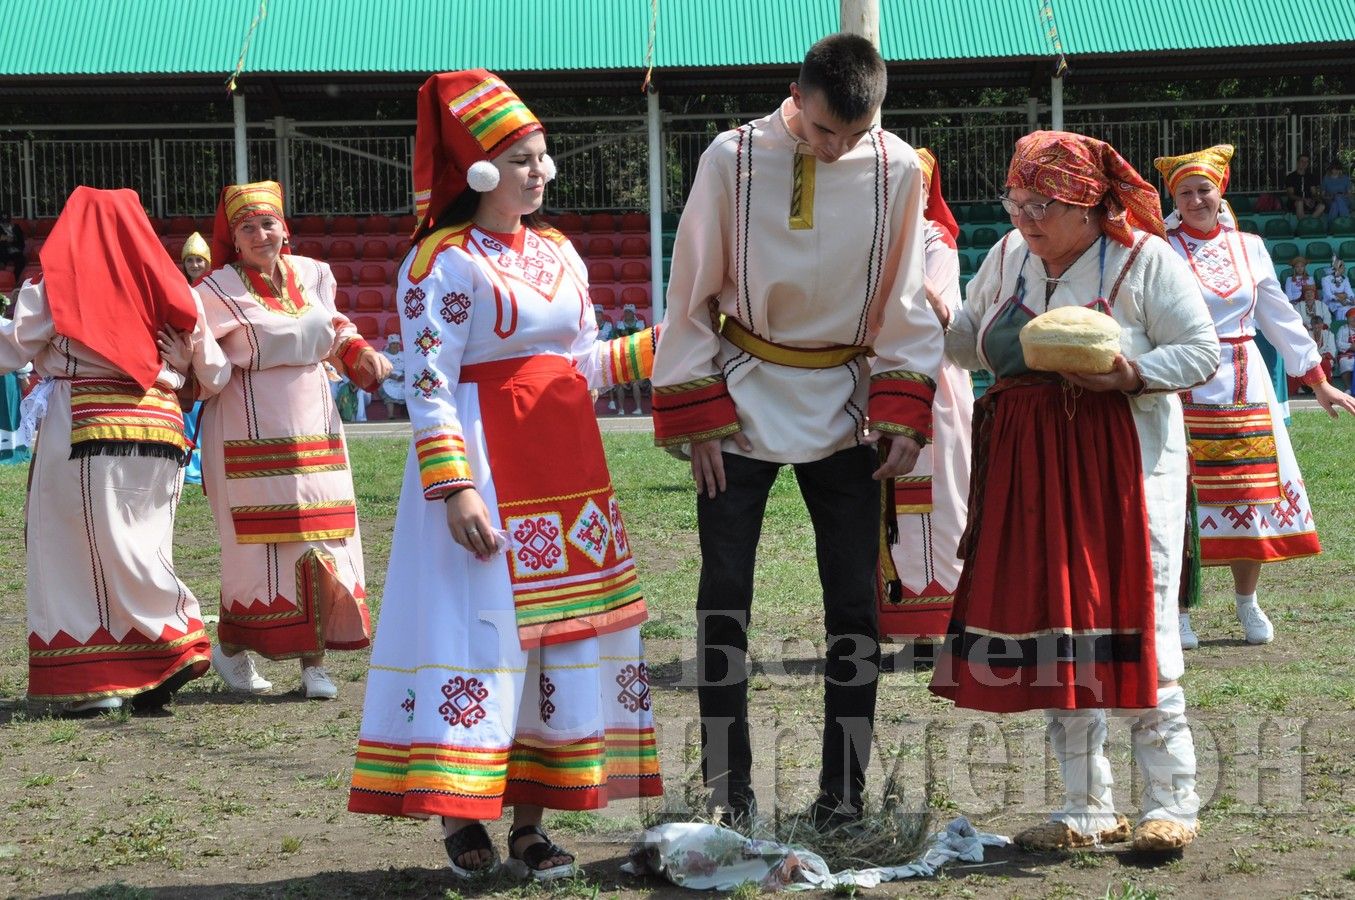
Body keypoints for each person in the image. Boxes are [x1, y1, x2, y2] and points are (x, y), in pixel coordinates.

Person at [348, 70, 662, 881]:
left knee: (558, 645)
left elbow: (583, 363)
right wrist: (453, 488)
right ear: (480, 171)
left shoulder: (558, 252)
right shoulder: (438, 264)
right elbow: (425, 383)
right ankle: (461, 814)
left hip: (567, 471)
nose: (540, 170)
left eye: (542, 156)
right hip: (485, 466)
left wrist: (670, 342)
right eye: (521, 158)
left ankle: (529, 819)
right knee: (478, 634)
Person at [651, 33, 942, 829]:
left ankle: (841, 799)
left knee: (854, 607)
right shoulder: (730, 157)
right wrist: (698, 411)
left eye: (856, 132)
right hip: (743, 393)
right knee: (724, 600)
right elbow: (690, 288)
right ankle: (727, 793)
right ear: (794, 97)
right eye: (822, 133)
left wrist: (905, 408)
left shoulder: (897, 167)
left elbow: (906, 299)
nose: (840, 147)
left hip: (848, 403)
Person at [930, 131, 1218, 854]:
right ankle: (1084, 807)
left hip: (1119, 467)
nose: (1026, 218)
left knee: (1136, 619)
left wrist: (1127, 372)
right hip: (1027, 472)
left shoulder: (1144, 259)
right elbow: (966, 343)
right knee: (1055, 627)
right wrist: (936, 314)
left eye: (1044, 205)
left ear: (1088, 205)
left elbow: (1200, 351)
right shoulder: (1004, 258)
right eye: (1017, 201)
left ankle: (1170, 803)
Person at [0, 187, 230, 713]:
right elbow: (214, 372)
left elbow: (10, 347)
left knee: (73, 552)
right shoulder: (173, 285)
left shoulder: (55, 288)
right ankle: (153, 658)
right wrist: (179, 362)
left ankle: (116, 668)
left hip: (89, 423)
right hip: (161, 427)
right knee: (142, 543)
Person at [1154, 144, 1355, 650]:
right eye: (1185, 192)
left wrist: (1317, 379)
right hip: (1180, 378)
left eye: (1204, 190)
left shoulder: (1251, 245)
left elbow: (1278, 316)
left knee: (1250, 489)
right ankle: (1178, 611)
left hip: (1245, 375)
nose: (1196, 199)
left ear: (1220, 191)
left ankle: (1247, 601)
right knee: (1183, 497)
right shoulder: (1158, 245)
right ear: (1172, 198)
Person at [196, 180, 390, 700]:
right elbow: (196, 357)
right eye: (247, 227)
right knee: (260, 549)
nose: (261, 234)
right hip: (246, 425)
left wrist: (361, 355)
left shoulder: (314, 274)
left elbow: (338, 329)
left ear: (285, 227)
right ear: (233, 240)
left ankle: (314, 664)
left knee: (326, 536)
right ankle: (233, 650)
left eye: (268, 223)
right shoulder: (213, 290)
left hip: (316, 420)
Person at [877, 148, 973, 642]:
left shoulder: (939, 244)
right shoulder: (870, 241)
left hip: (936, 384)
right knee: (884, 500)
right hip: (881, 377)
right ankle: (894, 622)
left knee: (946, 498)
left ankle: (942, 622)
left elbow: (933, 313)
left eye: (913, 186)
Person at [178, 232, 211, 485]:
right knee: (190, 412)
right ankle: (191, 468)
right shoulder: (180, 290)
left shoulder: (216, 289)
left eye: (199, 260)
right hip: (189, 357)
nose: (195, 265)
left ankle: (208, 465)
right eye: (190, 260)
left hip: (211, 356)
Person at [609, 303, 646, 415]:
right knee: (620, 383)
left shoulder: (641, 324)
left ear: (633, 313)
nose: (627, 314)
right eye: (625, 311)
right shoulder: (619, 325)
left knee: (635, 383)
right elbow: (616, 339)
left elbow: (641, 338)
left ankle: (639, 409)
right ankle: (621, 410)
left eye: (629, 312)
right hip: (623, 357)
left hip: (636, 357)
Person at [1285, 154, 1324, 219]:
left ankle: (1308, 223)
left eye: (1306, 162)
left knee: (1322, 206)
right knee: (1300, 203)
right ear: (1298, 163)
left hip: (1309, 201)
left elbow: (1314, 193)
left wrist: (1313, 200)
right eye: (1302, 161)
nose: (1304, 163)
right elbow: (1290, 195)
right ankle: (1304, 224)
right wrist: (1303, 200)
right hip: (1295, 202)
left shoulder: (1311, 176)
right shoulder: (1290, 177)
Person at [378, 333, 407, 418]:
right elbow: (381, 369)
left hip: (402, 377)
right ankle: (390, 415)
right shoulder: (382, 355)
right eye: (393, 343)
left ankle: (406, 413)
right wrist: (392, 376)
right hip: (388, 376)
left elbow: (408, 368)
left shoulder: (404, 354)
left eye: (397, 344)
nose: (396, 346)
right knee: (387, 387)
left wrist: (404, 376)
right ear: (389, 345)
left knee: (408, 387)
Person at [0, 211, 24, 279]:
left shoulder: (16, 227)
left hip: (15, 251)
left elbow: (21, 242)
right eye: (3, 222)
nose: (5, 224)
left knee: (21, 261)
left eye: (7, 222)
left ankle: (14, 279)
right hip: (3, 251)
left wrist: (13, 239)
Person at [1336, 308, 1355, 390]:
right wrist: (1351, 346)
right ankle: (1349, 388)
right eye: (1352, 317)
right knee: (1345, 363)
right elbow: (1339, 343)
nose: (1354, 319)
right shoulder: (1342, 329)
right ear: (1348, 319)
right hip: (1346, 354)